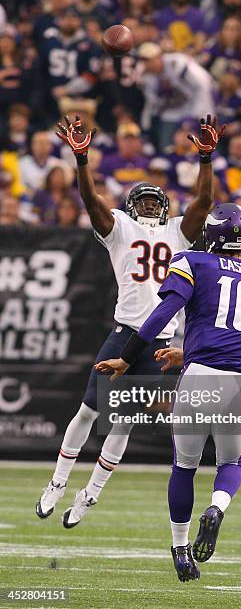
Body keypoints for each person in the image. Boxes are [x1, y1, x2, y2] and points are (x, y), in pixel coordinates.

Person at [35, 113, 226, 527]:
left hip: (158, 343)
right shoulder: (119, 228)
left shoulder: (178, 231)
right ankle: (58, 481)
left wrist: (207, 159)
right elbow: (90, 202)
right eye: (143, 201)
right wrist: (82, 162)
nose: (150, 206)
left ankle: (91, 495)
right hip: (125, 334)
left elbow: (204, 204)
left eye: (156, 201)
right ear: (129, 207)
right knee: (88, 411)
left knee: (122, 422)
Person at [96, 202, 241, 582]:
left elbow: (162, 315)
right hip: (237, 381)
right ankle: (216, 508)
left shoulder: (194, 262)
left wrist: (128, 358)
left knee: (184, 465)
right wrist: (191, 349)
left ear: (211, 233)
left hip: (197, 376)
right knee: (231, 464)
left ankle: (180, 549)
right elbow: (240, 332)